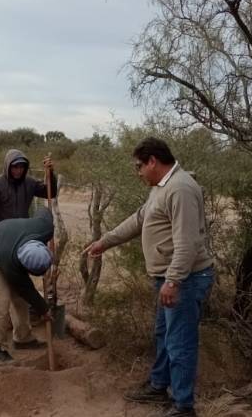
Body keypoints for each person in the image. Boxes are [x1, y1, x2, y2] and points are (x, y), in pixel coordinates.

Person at [83, 137, 214, 417]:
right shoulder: (161, 188)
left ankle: (183, 406)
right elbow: (139, 219)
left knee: (180, 341)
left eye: (139, 166)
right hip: (170, 278)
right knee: (164, 334)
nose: (138, 172)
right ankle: (159, 387)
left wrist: (173, 280)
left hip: (185, 279)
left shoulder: (180, 189)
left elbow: (187, 243)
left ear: (153, 161)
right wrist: (104, 242)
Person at [0, 207, 54, 364]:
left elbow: (43, 210)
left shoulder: (45, 227)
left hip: (4, 241)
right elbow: (26, 288)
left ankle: (23, 338)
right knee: (1, 300)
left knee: (20, 299)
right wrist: (44, 309)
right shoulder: (11, 265)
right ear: (23, 265)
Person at [0, 149, 57, 232]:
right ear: (8, 166)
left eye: (21, 167)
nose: (18, 171)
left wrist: (50, 173)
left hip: (22, 234)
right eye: (15, 167)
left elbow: (50, 193)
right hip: (0, 234)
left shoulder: (30, 183)